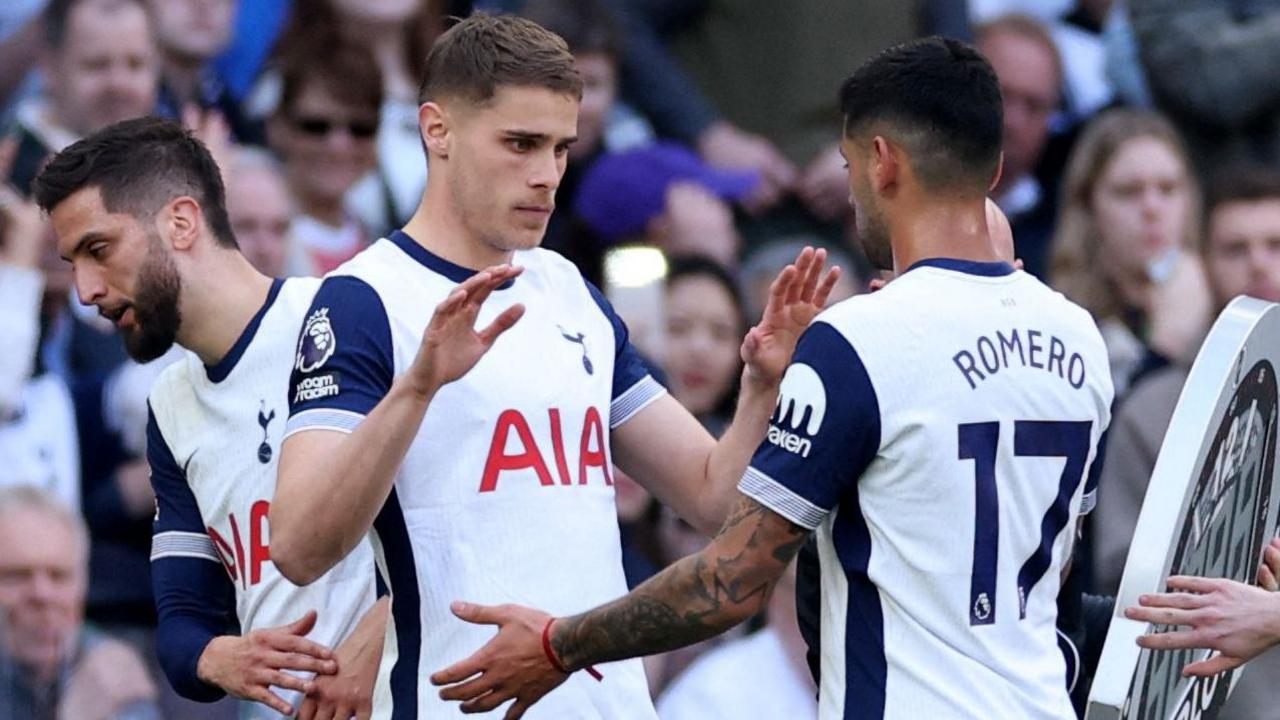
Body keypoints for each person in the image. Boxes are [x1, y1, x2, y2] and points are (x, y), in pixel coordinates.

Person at [430, 36, 1115, 719]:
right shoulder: (1080, 338)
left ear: (882, 162)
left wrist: (558, 644)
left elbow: (730, 582)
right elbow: (1051, 574)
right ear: (996, 169)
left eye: (848, 164)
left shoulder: (860, 339)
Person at [270, 13, 837, 718]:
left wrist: (760, 387)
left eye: (561, 148)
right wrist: (418, 388)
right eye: (520, 144)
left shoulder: (568, 289)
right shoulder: (363, 299)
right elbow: (298, 548)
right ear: (437, 130)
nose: (546, 176)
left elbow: (712, 500)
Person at [33, 116, 386, 720]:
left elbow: (469, 521)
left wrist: (376, 637)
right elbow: (182, 624)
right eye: (73, 262)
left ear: (181, 222)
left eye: (99, 250)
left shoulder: (345, 314)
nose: (86, 289)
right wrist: (216, 657)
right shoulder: (171, 404)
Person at [1050, 108, 1211, 395]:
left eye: (1168, 189)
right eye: (1128, 191)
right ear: (1088, 205)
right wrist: (1166, 347)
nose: (1152, 208)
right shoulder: (1060, 324)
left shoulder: (1225, 300)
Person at [0, 484, 160, 719]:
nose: (43, 594)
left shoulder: (108, 675)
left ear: (83, 584)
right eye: (17, 576)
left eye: (59, 576)